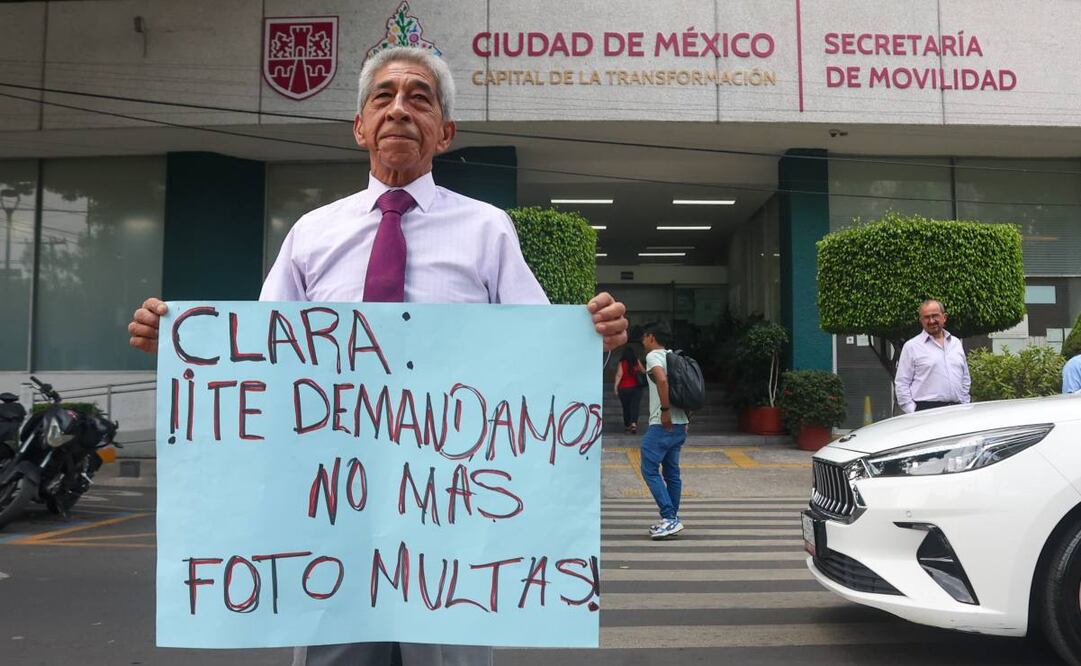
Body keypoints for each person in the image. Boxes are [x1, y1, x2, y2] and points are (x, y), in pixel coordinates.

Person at [127, 46, 628, 666]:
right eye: (383, 98)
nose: (399, 110)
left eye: (420, 98)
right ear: (360, 126)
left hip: (450, 524)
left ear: (444, 133)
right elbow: (260, 359)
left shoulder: (488, 230)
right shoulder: (312, 233)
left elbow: (538, 363)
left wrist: (591, 339)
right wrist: (184, 349)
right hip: (332, 518)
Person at [639, 322, 689, 539]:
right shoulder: (674, 357)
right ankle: (671, 519)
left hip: (662, 423)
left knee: (648, 468)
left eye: (643, 337)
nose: (642, 341)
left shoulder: (653, 356)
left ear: (651, 337)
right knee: (671, 473)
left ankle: (669, 517)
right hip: (680, 424)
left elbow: (661, 379)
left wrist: (665, 410)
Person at [894, 299, 971, 413]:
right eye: (926, 317)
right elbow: (902, 384)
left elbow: (965, 378)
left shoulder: (956, 343)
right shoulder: (912, 347)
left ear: (944, 317)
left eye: (935, 316)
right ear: (921, 320)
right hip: (926, 412)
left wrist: (965, 403)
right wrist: (913, 412)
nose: (931, 321)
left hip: (957, 410)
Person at [613, 346, 645, 433]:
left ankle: (627, 425)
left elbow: (619, 374)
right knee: (635, 406)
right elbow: (643, 371)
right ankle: (634, 424)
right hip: (636, 388)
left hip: (623, 389)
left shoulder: (622, 362)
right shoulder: (636, 361)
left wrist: (615, 387)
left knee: (626, 407)